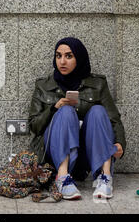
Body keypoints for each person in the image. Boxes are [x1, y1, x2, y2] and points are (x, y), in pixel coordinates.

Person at [28, 37, 126, 200]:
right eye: (58, 56)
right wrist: (54, 108)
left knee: (98, 111)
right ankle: (63, 178)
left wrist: (120, 143)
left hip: (88, 152)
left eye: (69, 56)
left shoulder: (98, 84)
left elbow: (113, 118)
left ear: (79, 58)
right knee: (66, 111)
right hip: (55, 152)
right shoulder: (43, 85)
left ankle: (105, 177)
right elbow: (34, 126)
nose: (62, 61)